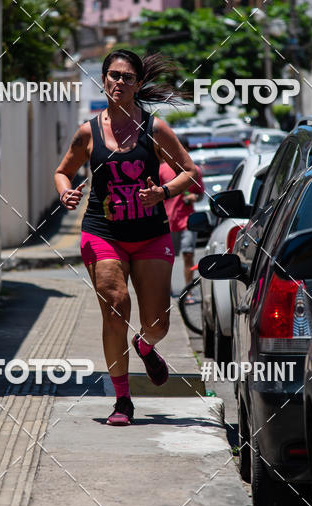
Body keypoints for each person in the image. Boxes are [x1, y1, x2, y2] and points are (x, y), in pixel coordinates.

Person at [54, 49, 198, 426]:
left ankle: (145, 346)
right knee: (116, 306)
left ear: (138, 84)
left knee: (158, 323)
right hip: (104, 233)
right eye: (113, 75)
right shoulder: (88, 131)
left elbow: (191, 174)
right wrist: (65, 191)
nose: (119, 82)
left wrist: (163, 194)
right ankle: (122, 400)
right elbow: (62, 172)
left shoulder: (155, 129)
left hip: (151, 234)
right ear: (103, 79)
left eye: (128, 77)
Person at [158, 136, 204, 293]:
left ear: (187, 150)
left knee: (188, 255)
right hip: (168, 221)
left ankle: (188, 291)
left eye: (183, 148)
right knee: (166, 259)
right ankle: (168, 292)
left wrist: (194, 197)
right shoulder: (162, 169)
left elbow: (200, 194)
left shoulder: (195, 170)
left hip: (187, 221)